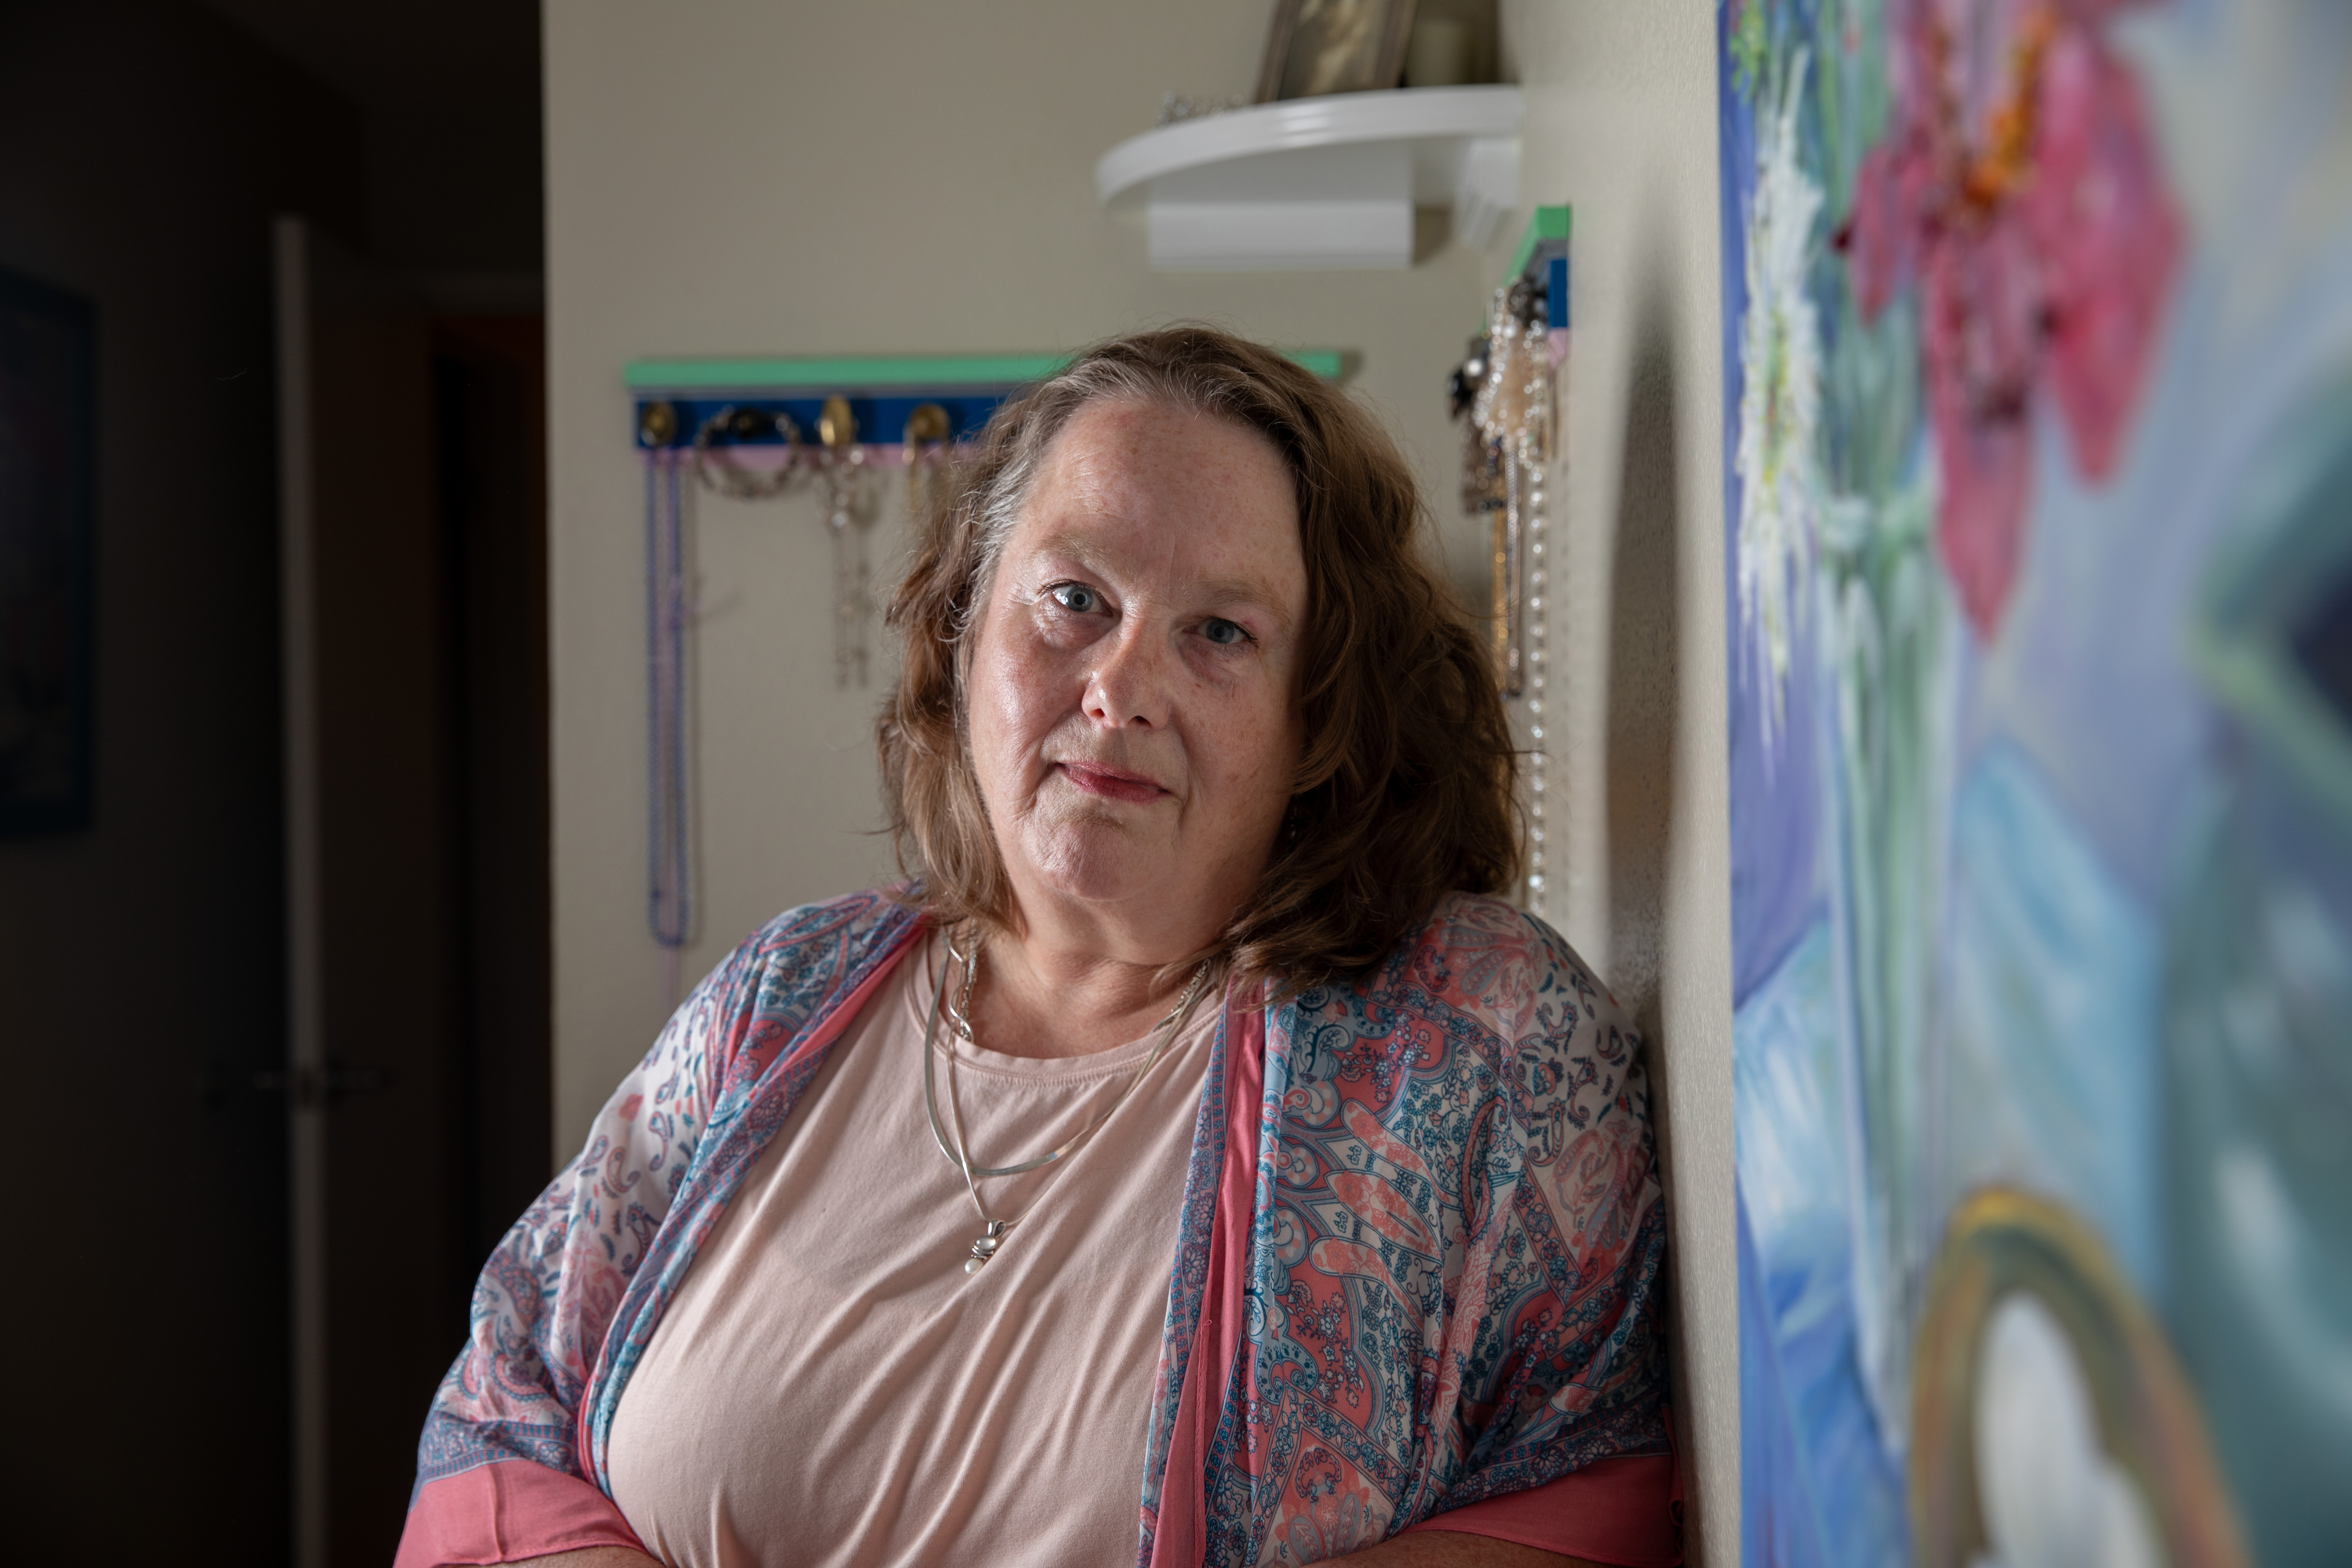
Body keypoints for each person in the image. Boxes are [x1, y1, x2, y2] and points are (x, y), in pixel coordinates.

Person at [396, 327, 1678, 1568]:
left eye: (1220, 632)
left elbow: (1602, 1496)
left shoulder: (1477, 1039)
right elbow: (507, 1398)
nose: (1121, 686)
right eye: (1074, 598)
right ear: (963, 635)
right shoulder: (781, 996)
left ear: (1319, 717)